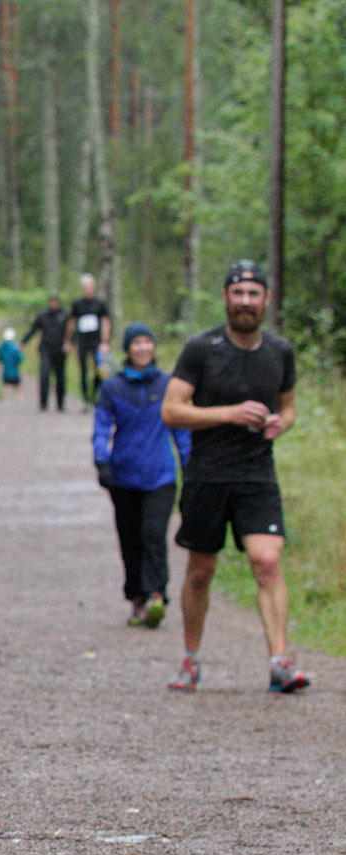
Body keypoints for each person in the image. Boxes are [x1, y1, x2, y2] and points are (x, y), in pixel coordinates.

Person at [160, 259, 308, 694]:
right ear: (225, 297)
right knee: (201, 572)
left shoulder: (280, 351)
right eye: (238, 293)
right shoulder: (201, 349)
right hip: (207, 475)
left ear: (266, 299)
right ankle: (190, 659)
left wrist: (282, 422)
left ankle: (279, 663)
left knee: (267, 561)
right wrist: (229, 414)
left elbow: (289, 406)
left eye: (253, 294)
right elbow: (171, 410)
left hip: (257, 475)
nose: (246, 302)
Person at [92, 322, 190, 628]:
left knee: (154, 535)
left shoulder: (168, 385)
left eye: (148, 342)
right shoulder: (113, 387)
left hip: (160, 476)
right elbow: (101, 426)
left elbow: (181, 429)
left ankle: (156, 595)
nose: (143, 348)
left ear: (154, 347)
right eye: (137, 343)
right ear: (127, 349)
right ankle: (136, 598)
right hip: (123, 477)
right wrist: (101, 461)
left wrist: (189, 466)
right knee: (130, 539)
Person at [66, 273, 112, 410]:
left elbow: (106, 322)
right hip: (82, 341)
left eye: (90, 287)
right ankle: (85, 399)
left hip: (97, 342)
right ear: (82, 288)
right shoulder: (77, 304)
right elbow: (71, 323)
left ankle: (96, 395)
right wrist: (68, 340)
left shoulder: (100, 304)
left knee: (101, 369)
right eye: (85, 287)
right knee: (83, 370)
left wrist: (105, 342)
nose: (88, 290)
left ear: (94, 287)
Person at [21, 296, 69, 412]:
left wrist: (69, 342)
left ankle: (60, 404)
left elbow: (71, 330)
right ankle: (43, 403)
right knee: (44, 375)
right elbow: (33, 329)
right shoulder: (43, 315)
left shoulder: (64, 315)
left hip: (60, 350)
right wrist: (23, 342)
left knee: (60, 378)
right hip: (46, 349)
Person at [0, 326, 23, 402]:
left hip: (6, 371)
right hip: (14, 371)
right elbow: (19, 358)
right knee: (16, 385)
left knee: (6, 385)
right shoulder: (16, 347)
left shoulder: (1, 346)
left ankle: (5, 398)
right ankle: (19, 398)